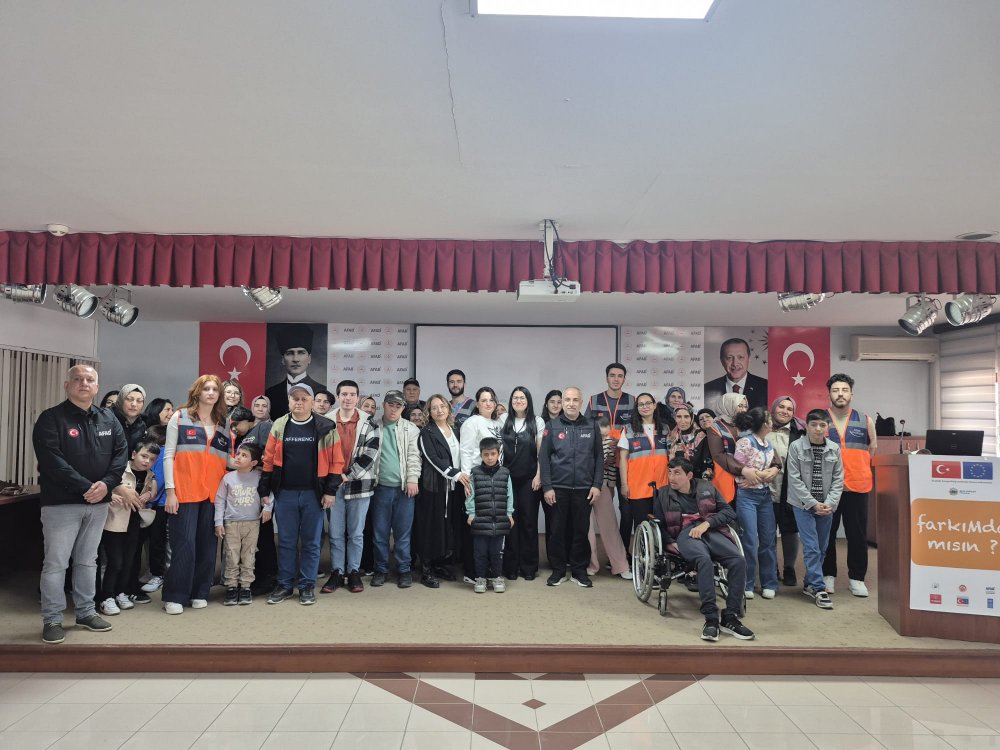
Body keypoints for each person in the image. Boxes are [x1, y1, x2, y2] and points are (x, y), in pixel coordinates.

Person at [34, 365, 128, 644]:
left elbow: (120, 456)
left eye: (89, 380)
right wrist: (87, 487)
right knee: (56, 563)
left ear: (97, 387)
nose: (84, 383)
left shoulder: (109, 419)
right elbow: (52, 461)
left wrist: (106, 485)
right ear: (67, 385)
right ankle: (52, 619)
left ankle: (86, 612)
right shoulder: (51, 418)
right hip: (61, 504)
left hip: (98, 504)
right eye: (77, 379)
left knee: (88, 561)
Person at [653, 458, 754, 642]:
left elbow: (729, 512)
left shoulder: (707, 487)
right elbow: (658, 523)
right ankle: (711, 618)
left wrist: (707, 523)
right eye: (670, 472)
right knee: (704, 561)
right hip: (685, 534)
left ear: (689, 475)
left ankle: (730, 617)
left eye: (677, 473)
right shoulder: (663, 494)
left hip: (711, 530)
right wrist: (670, 542)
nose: (671, 477)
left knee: (738, 560)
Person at [260, 383, 342, 605]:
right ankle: (285, 584)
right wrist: (265, 488)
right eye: (295, 398)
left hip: (313, 495)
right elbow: (268, 459)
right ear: (288, 402)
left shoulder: (326, 426)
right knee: (286, 542)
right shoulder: (279, 425)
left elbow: (336, 461)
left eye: (304, 399)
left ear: (312, 402)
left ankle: (306, 586)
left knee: (311, 543)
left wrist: (330, 491)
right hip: (285, 494)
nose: (299, 402)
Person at [162, 374, 231, 615]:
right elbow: (168, 456)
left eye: (215, 389)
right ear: (197, 392)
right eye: (206, 389)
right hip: (184, 492)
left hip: (213, 494)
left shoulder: (224, 423)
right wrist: (170, 491)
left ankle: (200, 592)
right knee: (184, 545)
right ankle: (175, 595)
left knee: (207, 546)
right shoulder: (179, 417)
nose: (211, 393)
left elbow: (226, 459)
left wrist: (254, 464)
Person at [539, 386, 603, 588]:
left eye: (575, 400)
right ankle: (558, 570)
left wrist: (597, 485)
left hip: (584, 489)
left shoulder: (591, 426)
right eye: (567, 400)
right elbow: (544, 458)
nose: (571, 403)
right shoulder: (552, 426)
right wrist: (547, 487)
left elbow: (599, 458)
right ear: (563, 402)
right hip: (558, 488)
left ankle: (579, 571)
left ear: (581, 403)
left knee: (580, 531)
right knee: (556, 531)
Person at [323, 380, 380, 594]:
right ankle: (337, 572)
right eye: (344, 394)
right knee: (336, 533)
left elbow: (371, 454)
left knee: (356, 534)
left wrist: (347, 475)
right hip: (332, 486)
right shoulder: (326, 420)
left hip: (360, 485)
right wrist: (334, 477)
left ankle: (354, 571)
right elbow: (322, 452)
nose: (348, 398)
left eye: (352, 394)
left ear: (357, 397)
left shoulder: (369, 422)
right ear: (338, 397)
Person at [822, 373, 877, 598]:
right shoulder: (820, 420)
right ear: (829, 394)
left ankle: (857, 578)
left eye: (844, 390)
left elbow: (872, 449)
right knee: (826, 535)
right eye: (836, 390)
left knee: (857, 535)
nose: (840, 394)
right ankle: (828, 575)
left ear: (851, 394)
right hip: (828, 487)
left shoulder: (865, 420)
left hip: (857, 486)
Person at [787, 409, 844, 610]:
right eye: (814, 425)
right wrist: (812, 503)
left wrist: (830, 503)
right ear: (807, 426)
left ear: (827, 427)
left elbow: (838, 479)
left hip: (827, 506)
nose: (818, 429)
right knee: (811, 546)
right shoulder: (796, 447)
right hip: (803, 505)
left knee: (822, 547)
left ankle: (809, 583)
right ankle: (819, 589)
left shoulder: (834, 448)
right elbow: (794, 479)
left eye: (822, 425)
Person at [97, 438, 159, 616]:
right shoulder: (119, 470)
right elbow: (103, 485)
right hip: (114, 522)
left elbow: (152, 491)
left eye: (152, 459)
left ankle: (121, 593)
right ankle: (106, 596)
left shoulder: (149, 475)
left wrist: (149, 494)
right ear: (133, 454)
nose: (147, 461)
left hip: (134, 522)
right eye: (144, 456)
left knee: (129, 561)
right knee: (115, 561)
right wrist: (109, 496)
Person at [416, 394, 470, 588]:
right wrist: (455, 474)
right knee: (431, 527)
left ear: (449, 408)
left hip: (454, 488)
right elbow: (432, 459)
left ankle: (440, 564)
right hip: (434, 488)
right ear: (429, 412)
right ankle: (426, 569)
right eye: (434, 408)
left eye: (442, 406)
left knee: (448, 527)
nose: (439, 410)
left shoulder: (455, 430)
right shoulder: (426, 433)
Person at [371, 390, 422, 588]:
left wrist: (412, 479)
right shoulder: (373, 426)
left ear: (403, 408)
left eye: (398, 406)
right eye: (390, 404)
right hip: (379, 489)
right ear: (383, 405)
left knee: (403, 534)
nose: (394, 409)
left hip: (404, 490)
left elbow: (414, 456)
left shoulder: (411, 428)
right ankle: (381, 569)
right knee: (380, 533)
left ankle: (404, 569)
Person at [585, 363, 635, 554]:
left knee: (626, 509)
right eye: (612, 375)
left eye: (620, 376)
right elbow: (587, 429)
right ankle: (589, 554)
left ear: (624, 379)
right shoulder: (594, 400)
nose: (616, 379)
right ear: (606, 378)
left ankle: (623, 552)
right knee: (599, 508)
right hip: (601, 461)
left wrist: (619, 442)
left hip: (624, 461)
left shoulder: (632, 401)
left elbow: (636, 428)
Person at [215, 442, 273, 606]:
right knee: (231, 555)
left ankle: (246, 586)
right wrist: (218, 522)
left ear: (253, 462)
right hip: (231, 523)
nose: (238, 457)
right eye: (238, 454)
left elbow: (269, 493)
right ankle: (232, 587)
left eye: (244, 455)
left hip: (252, 523)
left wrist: (267, 508)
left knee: (249, 555)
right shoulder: (228, 478)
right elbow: (220, 500)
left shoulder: (259, 476)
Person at [733, 407, 782, 600]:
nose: (772, 422)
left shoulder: (768, 444)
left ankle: (769, 582)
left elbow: (772, 470)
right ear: (764, 424)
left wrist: (770, 473)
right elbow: (739, 470)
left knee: (768, 540)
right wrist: (764, 474)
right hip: (747, 496)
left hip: (764, 496)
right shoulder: (745, 442)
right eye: (769, 419)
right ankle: (747, 582)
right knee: (750, 540)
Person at [458, 387, 506, 581]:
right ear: (477, 403)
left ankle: (491, 571)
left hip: (495, 478)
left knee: (491, 527)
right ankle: (473, 572)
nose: (488, 403)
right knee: (476, 526)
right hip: (477, 478)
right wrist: (467, 479)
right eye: (483, 400)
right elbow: (466, 451)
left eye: (491, 400)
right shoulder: (472, 422)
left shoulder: (497, 423)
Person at [500, 387, 546, 580]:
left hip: (529, 480)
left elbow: (541, 452)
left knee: (528, 523)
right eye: (515, 398)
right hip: (508, 480)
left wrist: (539, 475)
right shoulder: (503, 419)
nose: (518, 401)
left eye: (522, 397)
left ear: (528, 401)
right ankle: (511, 567)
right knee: (510, 522)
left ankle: (528, 567)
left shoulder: (537, 421)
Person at [618, 392, 671, 547]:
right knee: (642, 527)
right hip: (638, 486)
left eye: (648, 403)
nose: (645, 406)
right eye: (641, 404)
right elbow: (622, 459)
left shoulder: (665, 429)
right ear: (637, 408)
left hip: (662, 486)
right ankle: (641, 557)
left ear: (654, 405)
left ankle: (660, 557)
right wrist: (624, 484)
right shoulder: (628, 430)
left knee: (661, 526)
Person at [239, 395, 277, 595]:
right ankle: (251, 575)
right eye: (257, 405)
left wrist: (255, 465)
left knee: (263, 534)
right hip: (244, 489)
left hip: (262, 487)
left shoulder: (266, 427)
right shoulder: (245, 430)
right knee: (249, 535)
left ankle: (268, 576)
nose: (260, 408)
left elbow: (266, 457)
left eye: (264, 405)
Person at [466, 438, 514, 594]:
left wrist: (509, 513)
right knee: (480, 552)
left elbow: (509, 495)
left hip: (500, 520)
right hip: (480, 520)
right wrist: (471, 513)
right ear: (481, 455)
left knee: (497, 552)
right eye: (486, 454)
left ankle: (497, 577)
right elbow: (470, 495)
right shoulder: (475, 473)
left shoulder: (505, 473)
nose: (490, 457)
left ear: (498, 454)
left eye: (493, 454)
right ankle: (480, 578)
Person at [769, 396, 805, 586]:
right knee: (767, 532)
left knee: (790, 530)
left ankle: (789, 568)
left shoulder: (800, 432)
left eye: (789, 409)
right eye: (781, 407)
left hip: (789, 489)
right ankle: (772, 567)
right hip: (765, 489)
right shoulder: (761, 427)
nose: (784, 411)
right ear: (774, 408)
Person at [589, 416, 632, 580]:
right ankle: (590, 564)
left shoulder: (614, 442)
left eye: (606, 434)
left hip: (603, 486)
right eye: (601, 435)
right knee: (585, 528)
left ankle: (621, 565)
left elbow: (615, 464)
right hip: (583, 485)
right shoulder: (586, 440)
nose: (605, 437)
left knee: (609, 526)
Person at [264, 325, 328, 420]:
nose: (295, 359)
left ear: (309, 358)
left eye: (301, 352)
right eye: (290, 353)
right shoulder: (270, 393)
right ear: (283, 359)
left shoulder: (322, 390)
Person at [138, 425, 169, 597]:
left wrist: (150, 499)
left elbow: (160, 480)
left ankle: (158, 575)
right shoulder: (161, 452)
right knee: (153, 542)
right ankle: (153, 572)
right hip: (153, 503)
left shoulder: (162, 453)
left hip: (158, 504)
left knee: (157, 541)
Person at [705, 393, 749, 503]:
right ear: (728, 405)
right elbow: (718, 455)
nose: (744, 410)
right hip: (726, 478)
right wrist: (744, 470)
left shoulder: (748, 425)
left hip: (749, 480)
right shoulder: (715, 427)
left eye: (745, 406)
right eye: (740, 406)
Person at [704, 338, 769, 411]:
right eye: (729, 358)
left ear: (749, 359)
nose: (735, 363)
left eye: (740, 357)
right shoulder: (707, 389)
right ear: (722, 361)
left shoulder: (766, 387)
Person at [113, 384, 149, 453]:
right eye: (129, 399)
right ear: (121, 400)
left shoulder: (141, 425)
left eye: (139, 401)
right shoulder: (108, 419)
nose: (134, 404)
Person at [447, 369, 476, 434]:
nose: (455, 385)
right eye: (452, 382)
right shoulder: (444, 407)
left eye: (459, 381)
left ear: (464, 384)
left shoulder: (474, 405)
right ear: (447, 385)